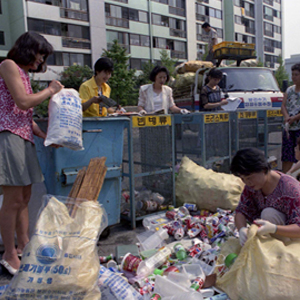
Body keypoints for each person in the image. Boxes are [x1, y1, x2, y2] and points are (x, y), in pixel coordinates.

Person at [0, 32, 63, 275]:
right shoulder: (8, 66)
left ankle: (23, 245)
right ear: (28, 48)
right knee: (13, 198)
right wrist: (50, 91)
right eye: (40, 54)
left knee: (25, 196)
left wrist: (46, 137)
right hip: (9, 136)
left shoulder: (24, 74)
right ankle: (8, 253)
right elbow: (24, 102)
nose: (40, 60)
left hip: (24, 136)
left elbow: (26, 116)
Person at [230, 147, 300, 247]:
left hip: (293, 238)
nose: (247, 182)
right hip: (270, 232)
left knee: (268, 214)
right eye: (243, 179)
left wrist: (274, 228)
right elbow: (241, 211)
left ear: (263, 170)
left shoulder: (291, 189)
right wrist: (242, 229)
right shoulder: (251, 187)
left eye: (249, 178)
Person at [281, 63, 300, 173]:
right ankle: (285, 178)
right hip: (289, 128)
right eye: (292, 74)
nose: (293, 77)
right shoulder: (289, 90)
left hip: (299, 127)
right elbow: (283, 106)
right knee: (287, 155)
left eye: (296, 75)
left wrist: (295, 118)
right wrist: (287, 117)